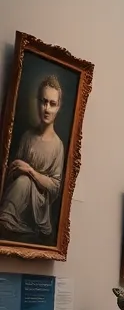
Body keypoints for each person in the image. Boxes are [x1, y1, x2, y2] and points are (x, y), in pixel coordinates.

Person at [0, 76, 67, 243]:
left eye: (52, 104)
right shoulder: (27, 137)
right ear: (38, 102)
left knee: (24, 181)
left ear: (58, 107)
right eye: (44, 102)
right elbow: (12, 171)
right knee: (21, 182)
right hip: (18, 198)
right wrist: (17, 172)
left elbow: (54, 187)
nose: (46, 108)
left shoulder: (58, 146)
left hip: (39, 209)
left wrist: (30, 171)